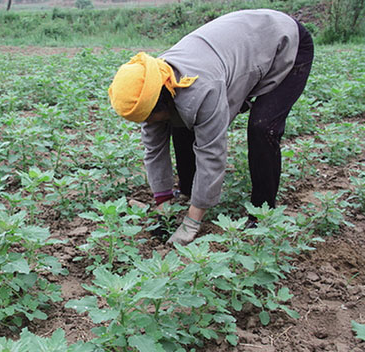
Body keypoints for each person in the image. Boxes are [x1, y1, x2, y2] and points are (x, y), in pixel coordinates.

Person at [108, 9, 314, 245]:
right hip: (240, 44)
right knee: (179, 120)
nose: (148, 124)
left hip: (284, 42)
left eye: (150, 118)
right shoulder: (153, 86)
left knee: (262, 127)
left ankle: (262, 211)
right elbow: (154, 150)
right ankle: (188, 191)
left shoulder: (201, 89)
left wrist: (192, 222)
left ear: (161, 101)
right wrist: (163, 203)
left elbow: (212, 154)